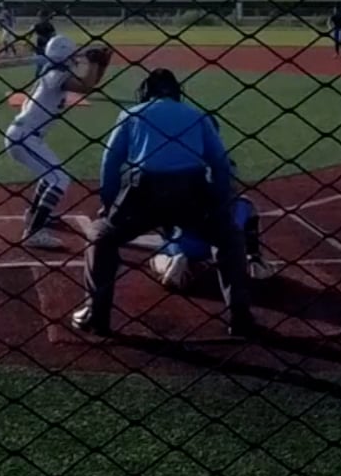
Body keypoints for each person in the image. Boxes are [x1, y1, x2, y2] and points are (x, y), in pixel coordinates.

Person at [73, 68, 255, 338]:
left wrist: (109, 205)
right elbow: (220, 164)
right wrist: (218, 206)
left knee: (101, 237)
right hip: (191, 191)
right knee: (229, 238)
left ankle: (96, 314)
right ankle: (240, 317)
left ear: (146, 92)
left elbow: (110, 163)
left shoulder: (132, 114)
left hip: (143, 191)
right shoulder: (197, 116)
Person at [4, 34, 110, 250]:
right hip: (25, 137)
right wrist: (93, 63)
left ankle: (34, 214)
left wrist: (100, 66)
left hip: (25, 136)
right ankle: (34, 232)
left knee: (51, 176)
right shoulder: (55, 75)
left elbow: (89, 84)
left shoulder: (52, 73)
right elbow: (85, 86)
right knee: (60, 179)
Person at [147, 196, 273, 291]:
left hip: (185, 244)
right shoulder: (236, 199)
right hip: (224, 244)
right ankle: (254, 260)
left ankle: (171, 260)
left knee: (159, 253)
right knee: (247, 204)